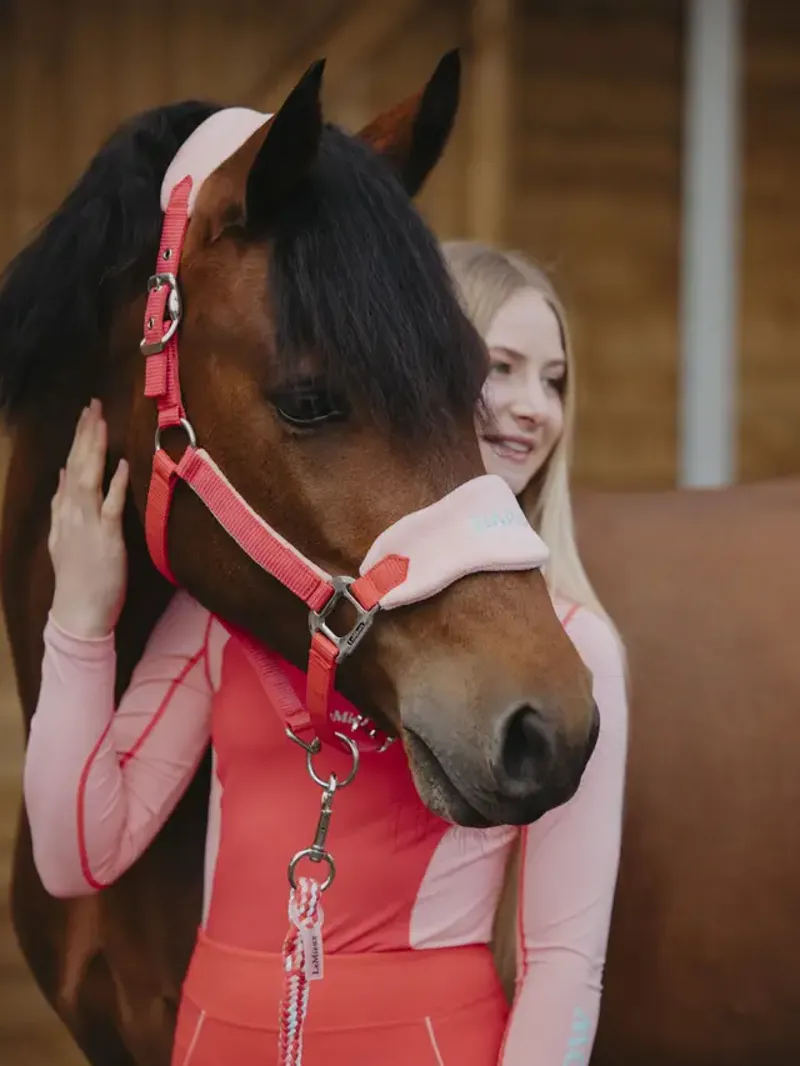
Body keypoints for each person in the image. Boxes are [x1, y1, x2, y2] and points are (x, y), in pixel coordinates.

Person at [22, 242, 627, 1066]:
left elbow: (564, 962)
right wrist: (80, 620)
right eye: (503, 367)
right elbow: (74, 855)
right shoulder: (232, 616)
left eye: (553, 381)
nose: (533, 407)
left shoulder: (573, 646)